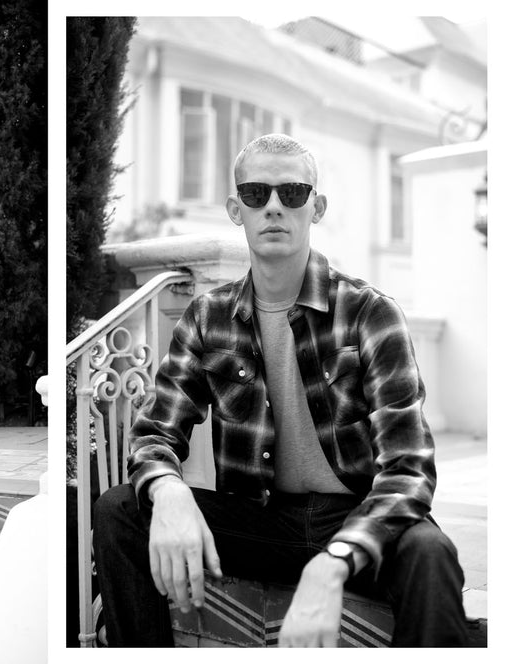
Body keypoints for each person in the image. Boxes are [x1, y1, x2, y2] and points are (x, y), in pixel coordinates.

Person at [93, 134, 468, 647]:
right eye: (256, 194)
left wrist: (335, 560)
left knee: (431, 553)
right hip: (263, 518)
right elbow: (154, 432)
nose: (273, 207)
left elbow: (409, 470)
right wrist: (169, 489)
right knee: (119, 511)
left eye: (292, 193)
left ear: (316, 207)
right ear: (235, 209)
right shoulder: (209, 318)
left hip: (354, 513)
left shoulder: (368, 313)